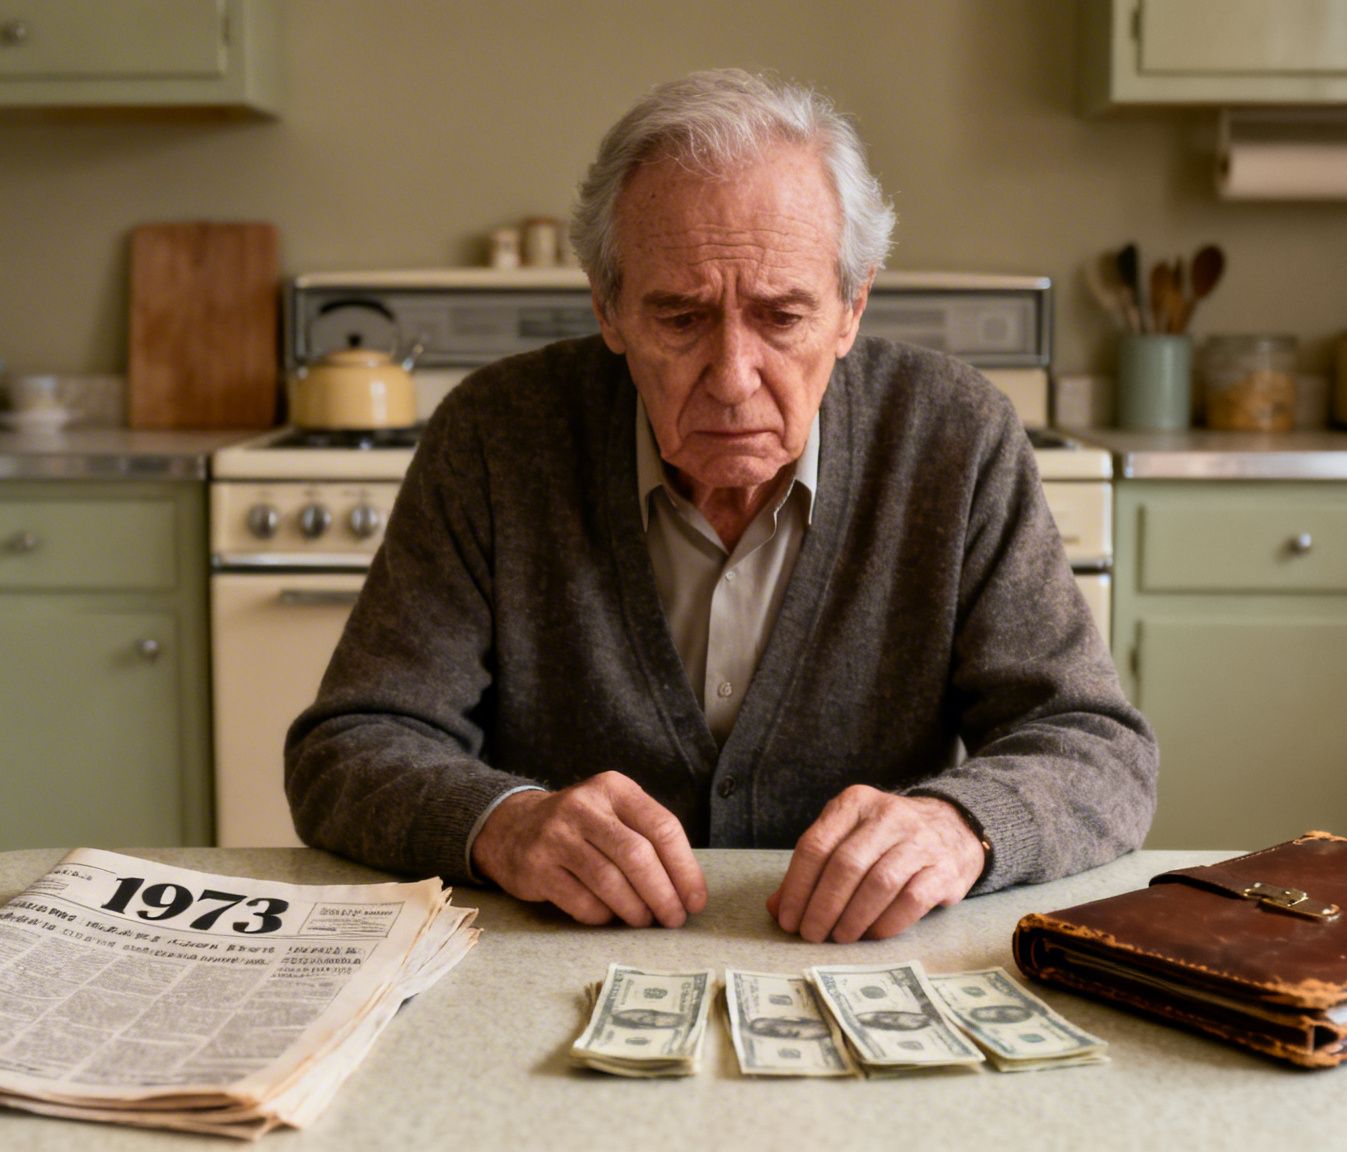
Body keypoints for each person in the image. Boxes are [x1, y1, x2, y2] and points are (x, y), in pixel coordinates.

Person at [286, 68, 1156, 943]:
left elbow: (1097, 749)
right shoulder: (494, 434)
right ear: (608, 307)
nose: (734, 380)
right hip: (550, 967)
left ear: (852, 308)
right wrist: (505, 823)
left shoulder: (956, 437)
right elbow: (349, 748)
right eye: (680, 318)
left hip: (868, 968)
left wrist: (960, 827)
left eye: (782, 317)